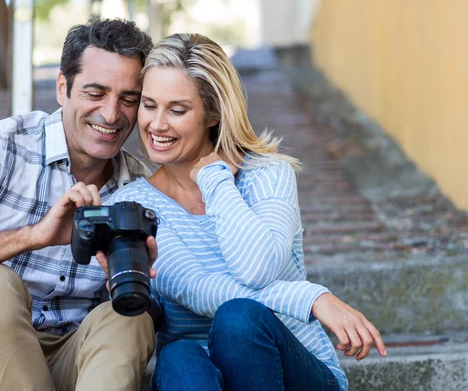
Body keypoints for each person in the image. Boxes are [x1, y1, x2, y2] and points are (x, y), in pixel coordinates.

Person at [100, 33, 387, 391]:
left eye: (177, 110)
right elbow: (200, 290)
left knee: (239, 320)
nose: (157, 124)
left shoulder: (267, 175)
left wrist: (214, 180)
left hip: (295, 374)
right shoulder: (131, 207)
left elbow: (258, 267)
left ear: (213, 113)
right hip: (199, 376)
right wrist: (312, 298)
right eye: (148, 105)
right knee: (179, 357)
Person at [0, 19, 158, 391]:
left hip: (75, 360)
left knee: (131, 317)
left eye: (128, 99)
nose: (112, 114)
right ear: (62, 88)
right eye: (95, 93)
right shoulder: (0, 147)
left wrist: (149, 276)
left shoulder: (141, 188)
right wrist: (35, 236)